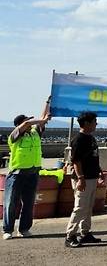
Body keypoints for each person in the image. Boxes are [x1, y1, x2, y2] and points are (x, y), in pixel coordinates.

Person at [3, 98, 51, 240]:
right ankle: (7, 229)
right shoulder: (14, 136)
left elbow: (42, 119)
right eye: (26, 122)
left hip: (33, 172)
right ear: (19, 125)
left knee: (29, 203)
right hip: (17, 173)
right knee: (11, 202)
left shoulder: (35, 133)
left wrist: (47, 103)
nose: (30, 123)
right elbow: (31, 123)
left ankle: (24, 228)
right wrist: (38, 121)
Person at [65, 111, 103, 248]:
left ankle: (85, 233)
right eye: (94, 121)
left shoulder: (91, 138)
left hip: (92, 177)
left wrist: (99, 171)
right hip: (83, 178)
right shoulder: (78, 140)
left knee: (88, 207)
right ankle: (70, 235)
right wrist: (80, 178)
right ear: (86, 123)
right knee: (80, 207)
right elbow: (76, 161)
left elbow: (93, 156)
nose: (96, 124)